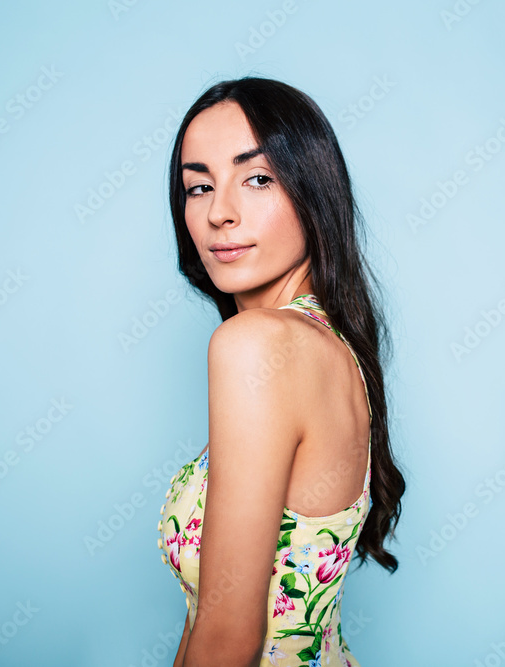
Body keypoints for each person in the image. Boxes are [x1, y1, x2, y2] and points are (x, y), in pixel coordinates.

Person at [156, 77, 406, 667]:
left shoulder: (256, 345)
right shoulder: (334, 348)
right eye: (198, 186)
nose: (220, 212)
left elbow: (226, 637)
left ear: (313, 190)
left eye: (258, 178)